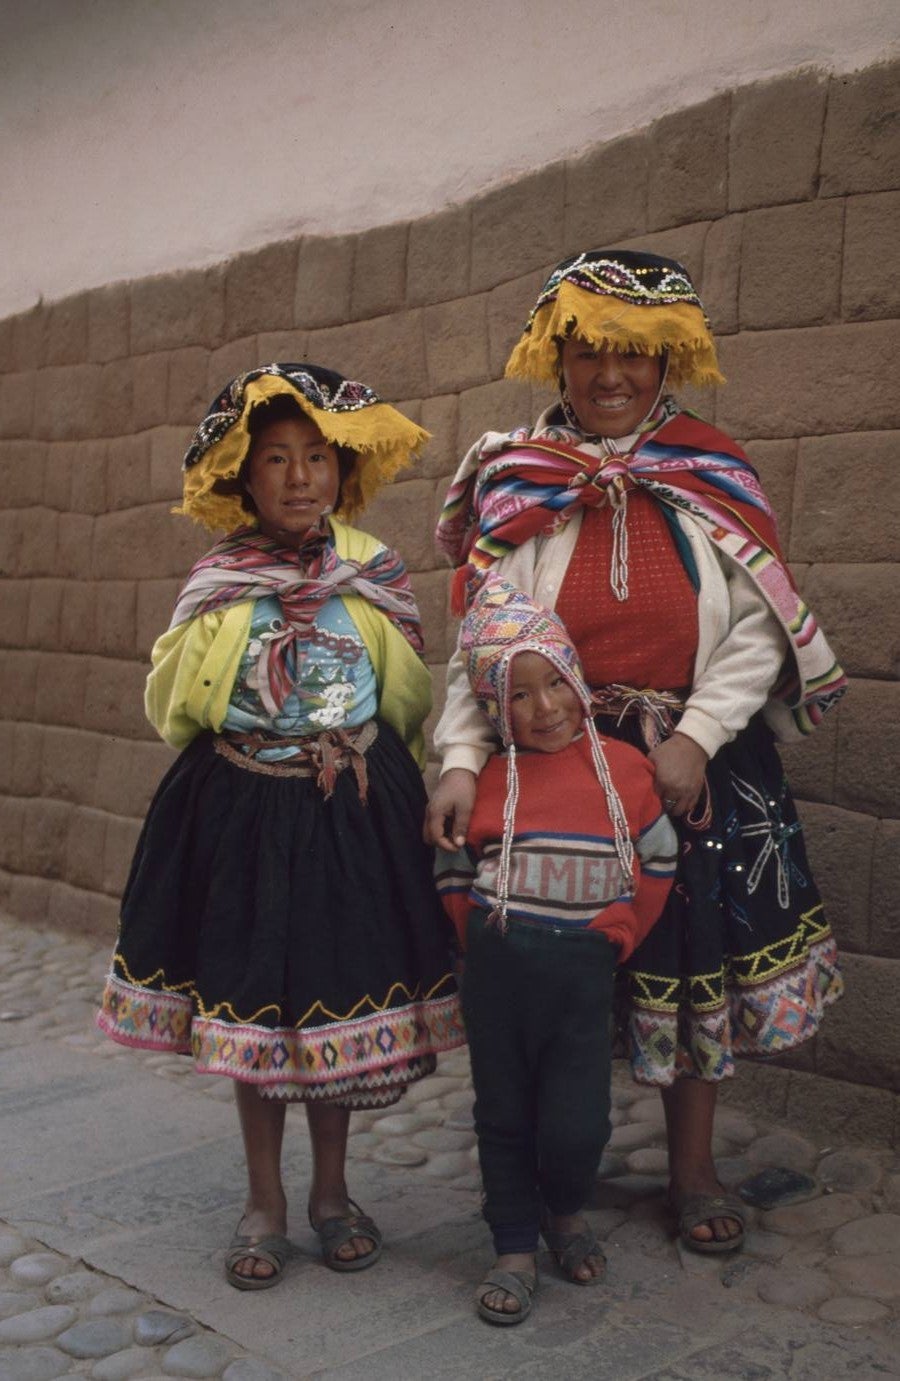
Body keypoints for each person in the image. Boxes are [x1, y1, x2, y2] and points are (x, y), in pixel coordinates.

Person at [426, 249, 846, 1256]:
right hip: (554, 757)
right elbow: (482, 646)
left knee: (693, 958)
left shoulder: (711, 469)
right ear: (556, 359)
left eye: (637, 355)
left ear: (669, 364)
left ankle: (691, 1167)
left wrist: (697, 738)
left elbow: (758, 628)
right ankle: (543, 1166)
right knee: (548, 958)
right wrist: (455, 758)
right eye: (589, 353)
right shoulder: (519, 481)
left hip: (691, 760)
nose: (612, 375)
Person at [98, 362, 465, 1290]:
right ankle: (263, 1198)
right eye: (275, 459)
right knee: (256, 1012)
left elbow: (408, 696)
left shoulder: (374, 573)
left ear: (342, 470)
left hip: (351, 813)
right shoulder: (221, 580)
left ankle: (331, 1193)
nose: (300, 477)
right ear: (243, 480)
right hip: (243, 815)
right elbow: (175, 700)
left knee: (336, 1005)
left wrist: (376, 777)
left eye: (316, 457)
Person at [435, 576, 677, 1324]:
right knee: (503, 1112)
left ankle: (565, 1209)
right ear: (490, 706)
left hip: (582, 980)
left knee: (579, 1119)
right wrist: (476, 935)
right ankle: (513, 1243)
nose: (545, 708)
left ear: (577, 678)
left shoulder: (624, 771)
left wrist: (623, 931)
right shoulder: (485, 781)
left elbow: (659, 860)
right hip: (499, 980)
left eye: (555, 684)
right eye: (520, 694)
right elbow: (452, 869)